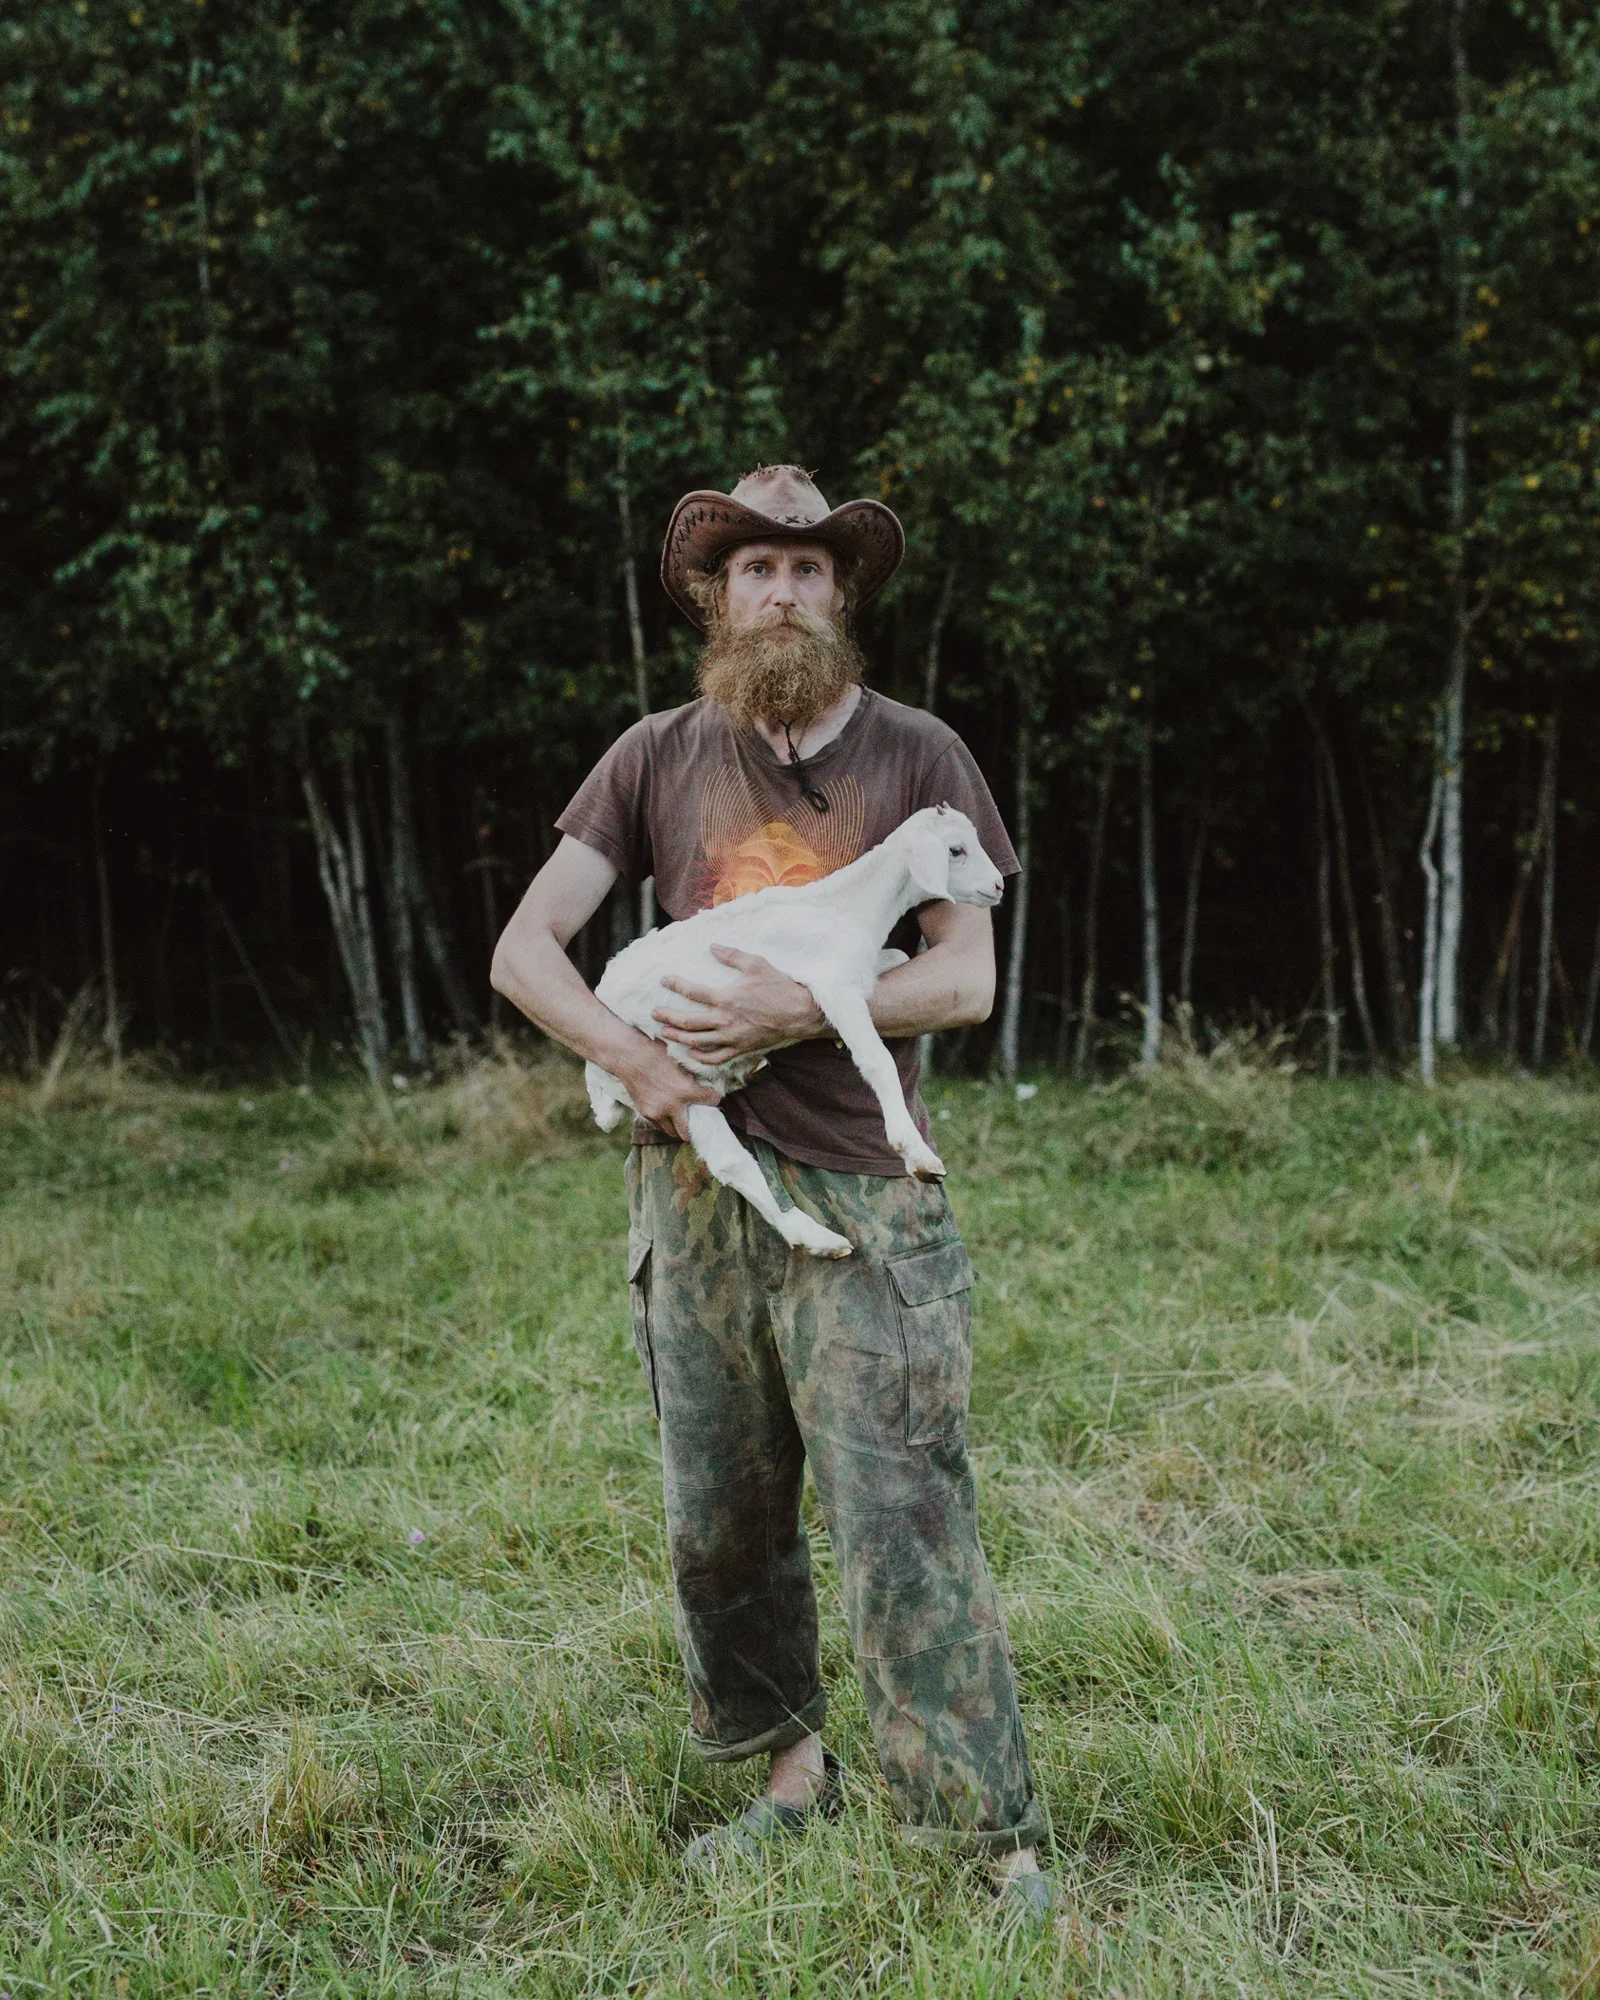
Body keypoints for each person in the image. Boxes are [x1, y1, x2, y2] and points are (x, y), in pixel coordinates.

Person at [491, 464, 1055, 1918]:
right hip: (693, 1195)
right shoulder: (657, 755)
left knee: (902, 1506)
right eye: (757, 569)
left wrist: (790, 1015)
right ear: (713, 594)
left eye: (811, 570)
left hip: (868, 1198)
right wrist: (647, 1063)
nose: (785, 591)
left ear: (844, 596)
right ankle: (793, 1774)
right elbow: (526, 951)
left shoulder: (923, 754)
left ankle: (983, 1841)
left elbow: (968, 975)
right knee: (720, 1514)